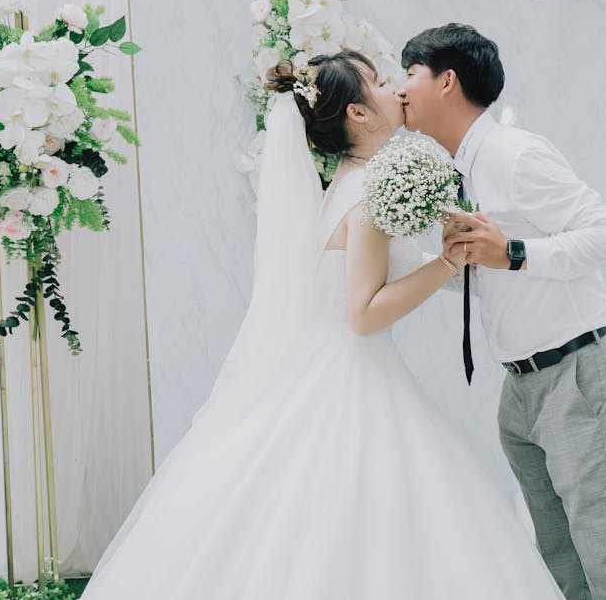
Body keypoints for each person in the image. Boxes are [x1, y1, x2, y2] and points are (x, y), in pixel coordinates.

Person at [81, 50, 562, 599]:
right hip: (352, 376)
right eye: (379, 82)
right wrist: (449, 262)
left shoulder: (346, 183)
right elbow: (363, 313)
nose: (394, 89)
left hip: (327, 368)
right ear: (357, 114)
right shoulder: (371, 193)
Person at [399, 24, 606, 600]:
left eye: (410, 74)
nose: (401, 89)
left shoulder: (514, 155)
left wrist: (513, 252)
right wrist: (420, 264)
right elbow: (488, 275)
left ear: (446, 82)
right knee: (557, 558)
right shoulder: (459, 166)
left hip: (576, 374)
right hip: (519, 389)